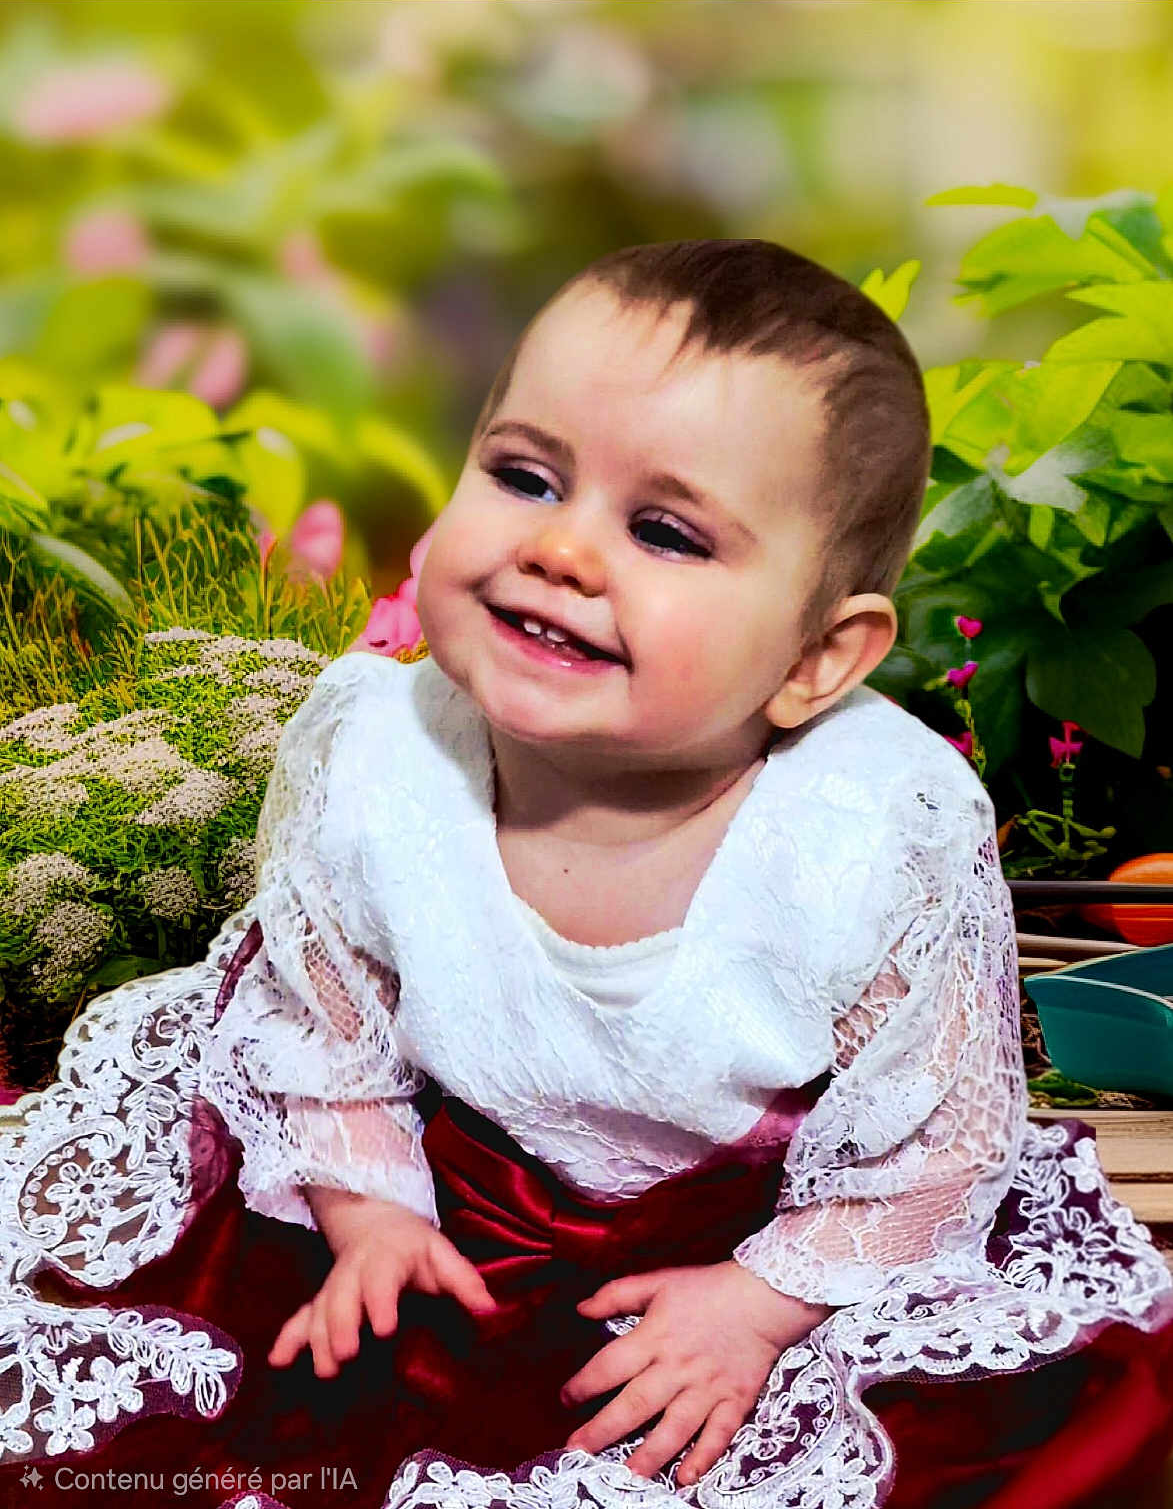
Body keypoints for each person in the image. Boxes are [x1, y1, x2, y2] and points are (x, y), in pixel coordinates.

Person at [1, 238, 1171, 1509]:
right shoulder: (384, 759)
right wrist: (370, 1213)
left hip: (757, 1232)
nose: (561, 549)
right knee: (206, 1402)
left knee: (984, 1434)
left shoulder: (865, 829)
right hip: (457, 1200)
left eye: (664, 531)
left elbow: (935, 1138)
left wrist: (763, 1301)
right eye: (522, 474)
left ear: (818, 658)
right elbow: (325, 1020)